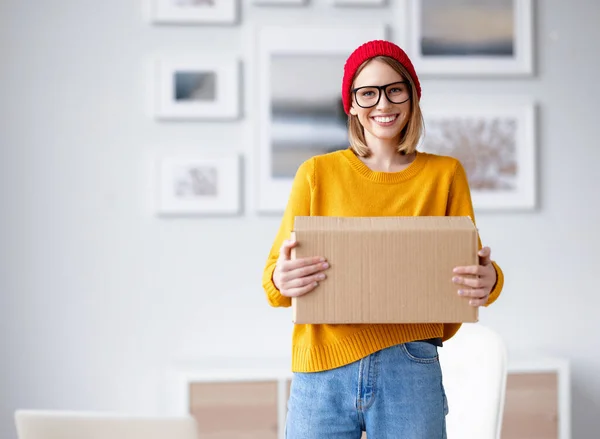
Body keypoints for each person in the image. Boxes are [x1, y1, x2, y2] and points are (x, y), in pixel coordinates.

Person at [261, 40, 504, 439]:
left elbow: (469, 269)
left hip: (409, 364)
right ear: (352, 104)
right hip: (322, 367)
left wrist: (490, 279)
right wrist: (281, 280)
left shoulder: (444, 175)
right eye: (368, 93)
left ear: (412, 96)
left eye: (395, 89)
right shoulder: (316, 174)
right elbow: (273, 282)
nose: (383, 104)